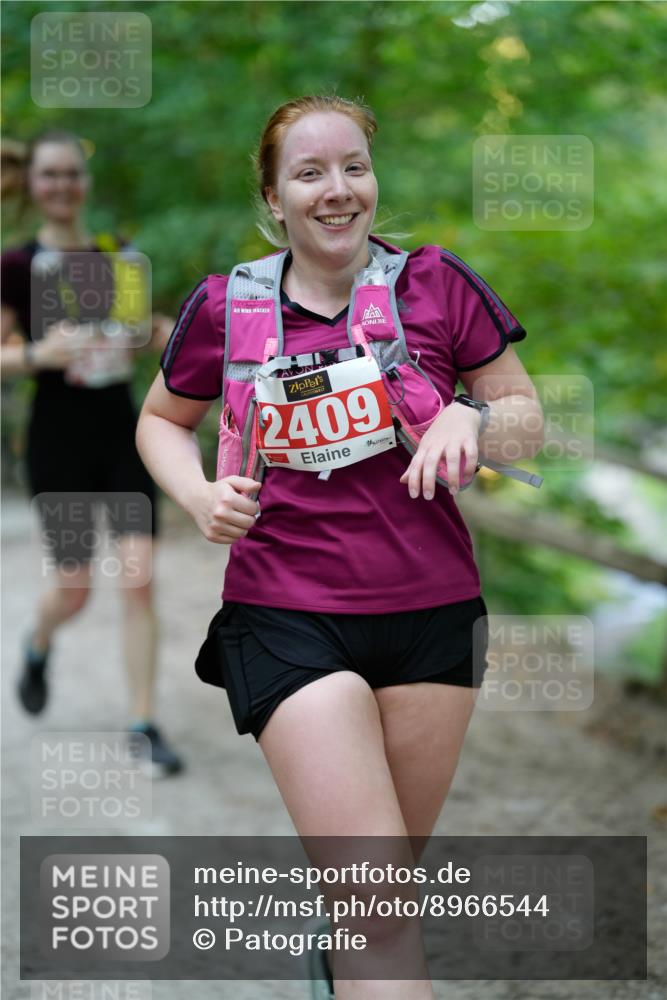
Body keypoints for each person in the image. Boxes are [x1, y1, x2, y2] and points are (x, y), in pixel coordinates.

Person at [136, 95, 544, 998]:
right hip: (286, 615)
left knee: (382, 893)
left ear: (373, 179)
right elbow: (162, 422)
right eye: (310, 173)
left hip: (433, 616)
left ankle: (334, 956)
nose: (337, 189)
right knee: (375, 906)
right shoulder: (225, 306)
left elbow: (524, 418)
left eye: (353, 167)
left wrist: (472, 421)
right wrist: (199, 492)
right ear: (274, 198)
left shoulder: (435, 284)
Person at [1, 130, 183, 777]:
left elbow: (135, 339)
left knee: (139, 579)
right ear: (32, 183)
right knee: (74, 589)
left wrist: (155, 333)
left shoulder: (117, 255)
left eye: (71, 174)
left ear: (86, 181)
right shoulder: (15, 266)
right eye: (48, 175)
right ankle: (39, 639)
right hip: (57, 435)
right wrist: (35, 355)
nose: (61, 185)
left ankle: (143, 724)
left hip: (120, 431)